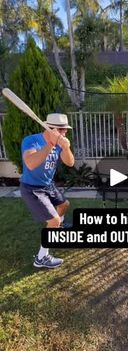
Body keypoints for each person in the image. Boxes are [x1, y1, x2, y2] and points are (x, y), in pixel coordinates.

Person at [20, 113, 75, 269]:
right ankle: (41, 258)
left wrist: (66, 147)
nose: (65, 132)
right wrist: (50, 143)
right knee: (54, 220)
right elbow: (30, 163)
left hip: (48, 185)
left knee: (64, 205)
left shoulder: (60, 144)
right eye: (62, 129)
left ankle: (57, 229)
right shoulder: (31, 141)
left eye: (66, 130)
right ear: (50, 129)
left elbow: (70, 163)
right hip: (32, 188)